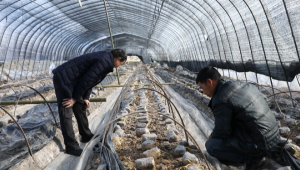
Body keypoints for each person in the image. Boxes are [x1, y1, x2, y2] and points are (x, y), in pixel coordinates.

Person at [196, 66, 280, 169]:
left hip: (261, 144)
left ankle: (254, 160)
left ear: (209, 82)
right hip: (275, 137)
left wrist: (212, 136)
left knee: (211, 146)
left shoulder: (221, 98)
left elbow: (222, 132)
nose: (203, 92)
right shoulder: (240, 84)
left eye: (202, 87)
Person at [52, 49, 127, 156]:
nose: (118, 66)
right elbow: (87, 79)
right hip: (64, 79)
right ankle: (71, 146)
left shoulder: (106, 59)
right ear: (118, 59)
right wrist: (74, 98)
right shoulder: (104, 61)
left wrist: (85, 97)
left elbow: (91, 80)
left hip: (74, 81)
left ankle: (86, 135)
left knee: (80, 105)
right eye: (120, 64)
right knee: (66, 112)